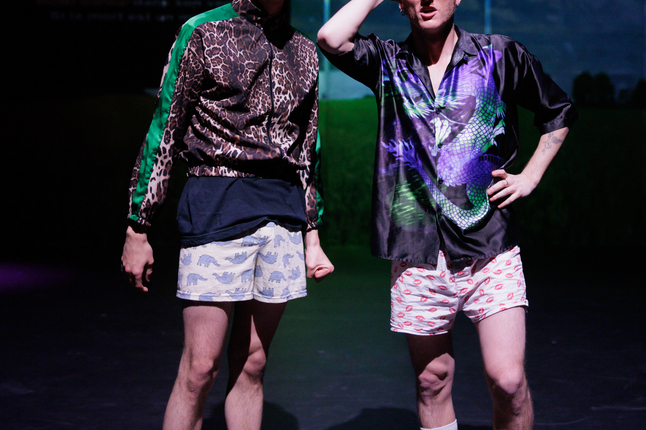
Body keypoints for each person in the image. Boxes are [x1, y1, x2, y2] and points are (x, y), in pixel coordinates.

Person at [318, 1, 577, 429]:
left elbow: (558, 110)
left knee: (508, 380)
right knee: (432, 382)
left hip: (490, 247)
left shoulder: (499, 55)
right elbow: (331, 37)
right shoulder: (389, 63)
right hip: (417, 253)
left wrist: (530, 176)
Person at [121, 0, 334, 429]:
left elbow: (308, 150)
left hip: (282, 215)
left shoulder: (304, 49)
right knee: (200, 368)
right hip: (217, 205)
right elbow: (166, 128)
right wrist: (138, 228)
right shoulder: (204, 31)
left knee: (253, 361)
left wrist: (312, 234)